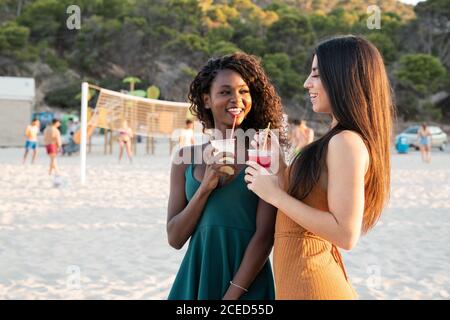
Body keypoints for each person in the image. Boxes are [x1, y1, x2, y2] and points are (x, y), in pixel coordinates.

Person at [245, 35, 394, 299]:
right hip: (302, 282)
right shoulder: (335, 139)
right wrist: (280, 166)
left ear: (342, 77)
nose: (306, 83)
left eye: (316, 74)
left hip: (314, 285)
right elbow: (310, 203)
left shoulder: (346, 141)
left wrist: (274, 195)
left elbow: (345, 234)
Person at [167, 52, 287, 300]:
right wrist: (205, 188)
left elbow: (264, 237)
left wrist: (230, 298)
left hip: (247, 285)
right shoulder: (184, 159)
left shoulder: (263, 154)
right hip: (196, 279)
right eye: (225, 92)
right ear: (207, 100)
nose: (237, 99)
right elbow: (175, 238)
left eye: (244, 91)